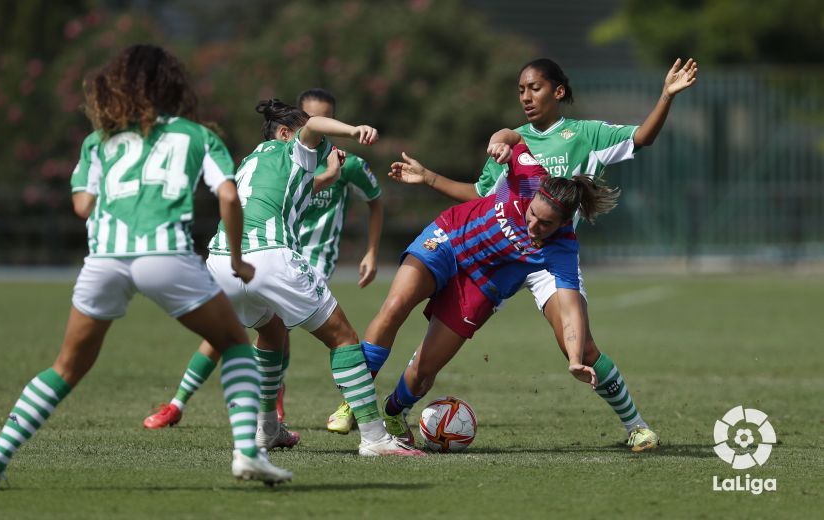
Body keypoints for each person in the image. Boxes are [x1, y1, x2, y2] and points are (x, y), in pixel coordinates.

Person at [0, 45, 291, 490]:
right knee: (235, 342)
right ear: (171, 85)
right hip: (165, 255)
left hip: (105, 259)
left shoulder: (99, 140)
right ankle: (248, 455)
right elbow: (229, 196)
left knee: (66, 367)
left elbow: (83, 205)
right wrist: (236, 259)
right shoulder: (196, 135)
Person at [361, 57, 697, 451]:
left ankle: (636, 426)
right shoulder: (514, 143)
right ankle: (381, 407)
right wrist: (442, 171)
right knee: (421, 351)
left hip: (546, 257)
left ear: (558, 91)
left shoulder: (584, 134)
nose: (526, 97)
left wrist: (666, 96)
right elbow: (482, 193)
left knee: (582, 346)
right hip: (496, 256)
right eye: (521, 90)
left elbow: (642, 137)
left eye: (534, 88)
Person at [161, 98, 421, 457]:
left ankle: (266, 429)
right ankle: (375, 438)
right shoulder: (291, 150)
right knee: (343, 338)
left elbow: (292, 191)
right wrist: (353, 130)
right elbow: (312, 128)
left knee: (270, 332)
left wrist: (330, 175)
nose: (316, 140)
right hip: (268, 255)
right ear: (285, 133)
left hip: (221, 261)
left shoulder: (253, 159)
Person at [370, 142, 618, 447]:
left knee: (423, 371)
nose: (533, 225)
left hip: (481, 285)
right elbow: (512, 139)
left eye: (545, 224)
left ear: (565, 224)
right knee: (395, 306)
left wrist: (575, 359)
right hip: (449, 239)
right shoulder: (530, 176)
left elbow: (570, 311)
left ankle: (394, 412)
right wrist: (499, 143)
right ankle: (356, 401)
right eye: (532, 214)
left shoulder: (563, 248)